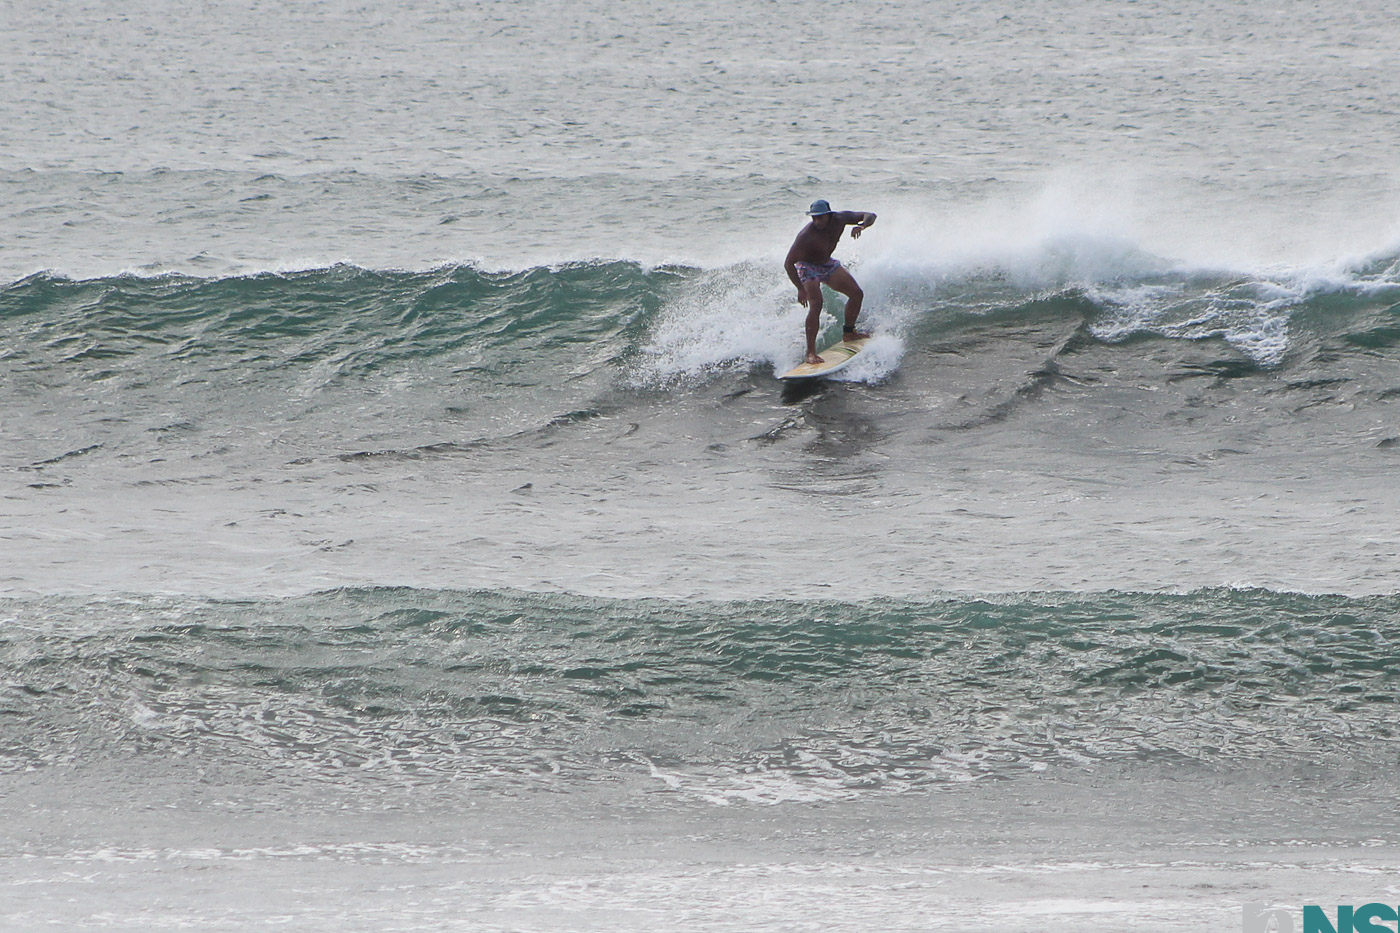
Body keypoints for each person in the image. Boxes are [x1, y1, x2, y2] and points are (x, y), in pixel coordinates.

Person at [784, 199, 876, 364]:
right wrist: (800, 289)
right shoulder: (806, 236)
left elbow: (870, 215)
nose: (817, 221)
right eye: (814, 218)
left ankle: (849, 333)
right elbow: (788, 263)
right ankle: (810, 353)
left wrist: (862, 226)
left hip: (827, 263)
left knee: (856, 294)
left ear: (829, 215)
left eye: (820, 217)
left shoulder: (840, 219)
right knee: (816, 303)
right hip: (807, 266)